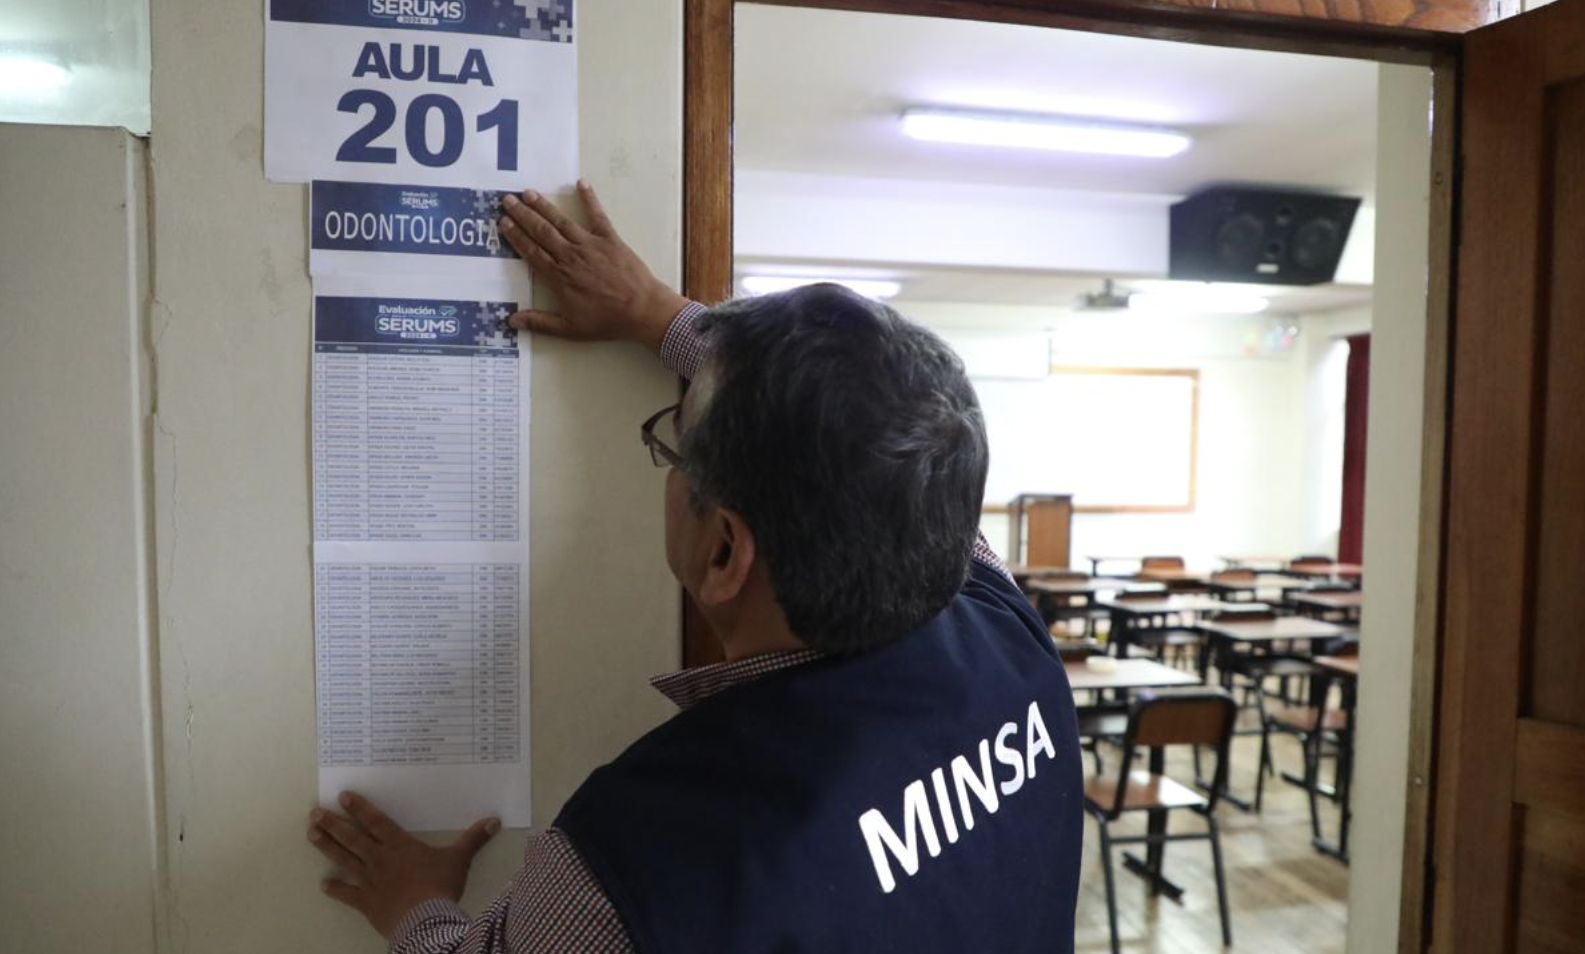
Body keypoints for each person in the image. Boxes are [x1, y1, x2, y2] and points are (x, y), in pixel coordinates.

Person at [306, 183, 1084, 953]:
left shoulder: (634, 862)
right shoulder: (1005, 628)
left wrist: (417, 908)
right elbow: (873, 436)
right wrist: (654, 313)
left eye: (672, 443)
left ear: (723, 553)